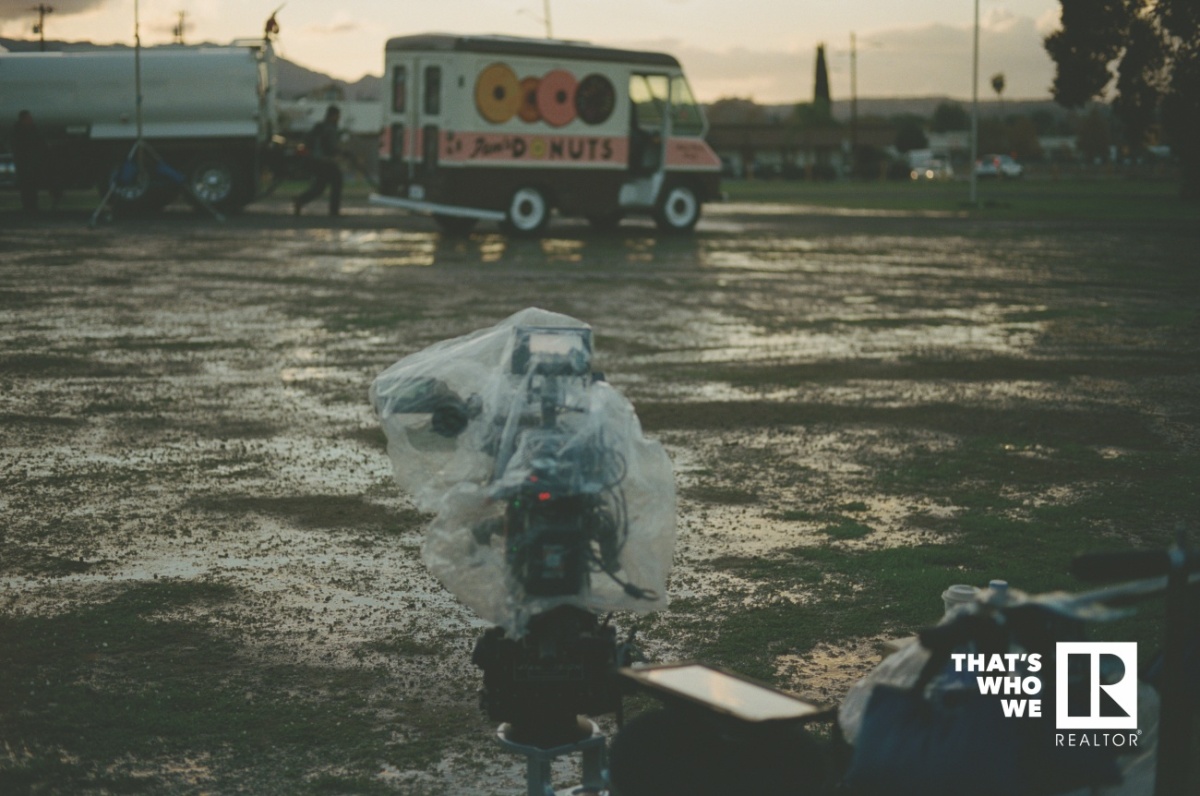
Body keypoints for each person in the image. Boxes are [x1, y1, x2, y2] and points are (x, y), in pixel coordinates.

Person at [293, 105, 343, 217]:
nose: (339, 118)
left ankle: (300, 200)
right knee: (337, 180)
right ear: (333, 115)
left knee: (319, 187)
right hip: (323, 161)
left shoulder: (319, 126)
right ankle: (334, 211)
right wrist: (340, 153)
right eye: (338, 115)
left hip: (314, 160)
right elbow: (330, 147)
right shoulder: (330, 128)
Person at [12, 110, 49, 214]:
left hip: (31, 163)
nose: (30, 120)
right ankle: (28, 206)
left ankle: (32, 206)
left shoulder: (29, 130)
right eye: (28, 118)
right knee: (27, 186)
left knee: (31, 186)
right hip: (25, 164)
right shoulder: (21, 132)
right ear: (23, 119)